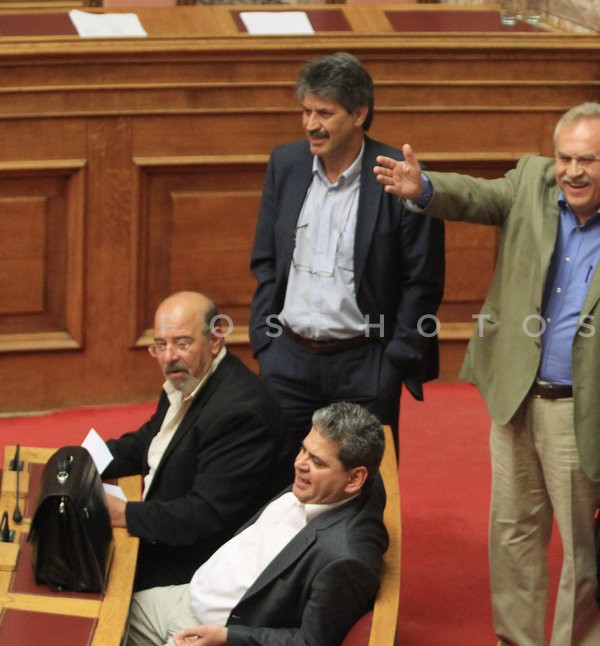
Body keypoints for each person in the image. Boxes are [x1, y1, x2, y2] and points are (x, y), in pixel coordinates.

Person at [375, 102, 600, 646]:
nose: (572, 171)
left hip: (585, 413)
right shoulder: (531, 183)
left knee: (584, 552)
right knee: (514, 538)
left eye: (586, 160)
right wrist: (424, 187)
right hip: (516, 398)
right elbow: (477, 195)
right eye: (564, 157)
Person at [249, 52, 445, 469]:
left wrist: (393, 363)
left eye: (324, 112)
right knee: (279, 485)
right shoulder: (285, 164)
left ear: (359, 113)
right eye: (305, 111)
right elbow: (266, 260)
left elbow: (422, 280)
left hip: (366, 364)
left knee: (362, 491)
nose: (310, 125)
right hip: (287, 361)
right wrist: (266, 344)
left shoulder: (399, 175)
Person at [125, 401, 388, 646]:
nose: (299, 464)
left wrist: (228, 637)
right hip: (187, 595)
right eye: (303, 449)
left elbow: (310, 642)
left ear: (354, 480)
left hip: (213, 631)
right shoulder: (333, 486)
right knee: (103, 617)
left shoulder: (345, 557)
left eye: (317, 462)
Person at [102, 291, 286, 592]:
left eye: (182, 343)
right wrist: (90, 458)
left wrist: (124, 514)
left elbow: (203, 515)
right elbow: (152, 438)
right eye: (160, 345)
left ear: (215, 341)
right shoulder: (186, 376)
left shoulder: (240, 415)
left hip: (200, 566)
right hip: (166, 531)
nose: (169, 356)